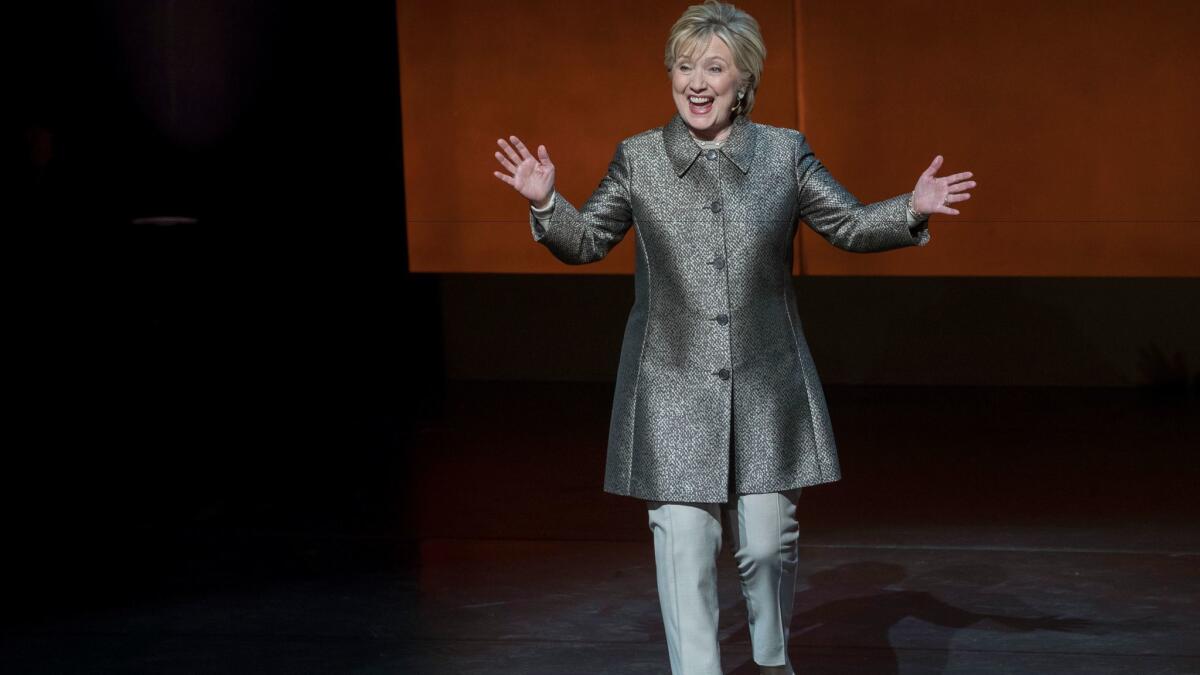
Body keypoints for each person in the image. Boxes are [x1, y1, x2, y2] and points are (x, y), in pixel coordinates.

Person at [491, 1, 976, 673]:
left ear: (743, 80)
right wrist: (547, 202)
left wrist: (910, 208)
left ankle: (772, 658)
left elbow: (851, 226)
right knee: (685, 543)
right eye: (684, 66)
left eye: (713, 67)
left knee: (769, 543)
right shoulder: (639, 159)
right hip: (672, 384)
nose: (696, 81)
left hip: (766, 383)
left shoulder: (783, 153)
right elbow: (588, 240)